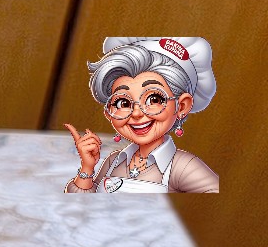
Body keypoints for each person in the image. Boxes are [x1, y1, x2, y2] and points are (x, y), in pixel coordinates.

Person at [64, 36, 218, 193]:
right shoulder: (114, 161)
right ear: (109, 113)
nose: (136, 113)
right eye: (123, 103)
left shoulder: (183, 167)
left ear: (182, 106)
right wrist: (87, 167)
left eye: (154, 99)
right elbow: (85, 203)